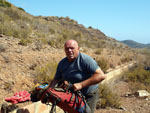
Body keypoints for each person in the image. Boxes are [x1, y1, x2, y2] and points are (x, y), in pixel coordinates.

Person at [49, 39, 106, 113]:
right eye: (67, 48)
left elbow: (101, 75)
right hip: (72, 95)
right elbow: (56, 79)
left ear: (78, 49)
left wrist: (81, 85)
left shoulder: (86, 60)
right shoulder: (62, 63)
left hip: (89, 94)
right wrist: (50, 90)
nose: (69, 50)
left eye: (72, 48)